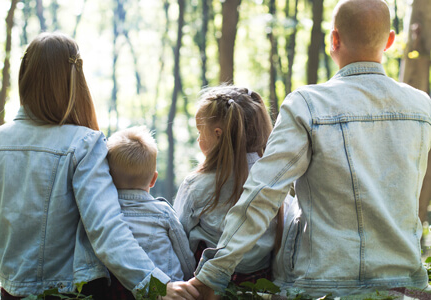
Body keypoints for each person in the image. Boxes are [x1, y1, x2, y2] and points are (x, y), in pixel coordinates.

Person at [188, 0, 431, 298]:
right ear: (391, 41)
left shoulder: (308, 105)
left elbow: (262, 194)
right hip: (405, 282)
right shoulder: (422, 107)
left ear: (334, 39)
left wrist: (212, 275)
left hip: (320, 284)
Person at [0, 32, 199, 300]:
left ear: (24, 75)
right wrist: (155, 284)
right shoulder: (83, 143)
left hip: (10, 291)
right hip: (70, 293)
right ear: (75, 80)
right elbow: (106, 228)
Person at [173, 85, 290, 285]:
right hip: (260, 284)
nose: (199, 139)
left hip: (206, 286)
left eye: (201, 132)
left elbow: (178, 238)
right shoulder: (276, 180)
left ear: (218, 134)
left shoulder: (196, 185)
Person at [106, 126, 196, 283]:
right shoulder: (163, 212)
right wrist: (190, 279)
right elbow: (184, 255)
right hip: (169, 289)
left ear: (107, 177)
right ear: (154, 179)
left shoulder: (104, 214)